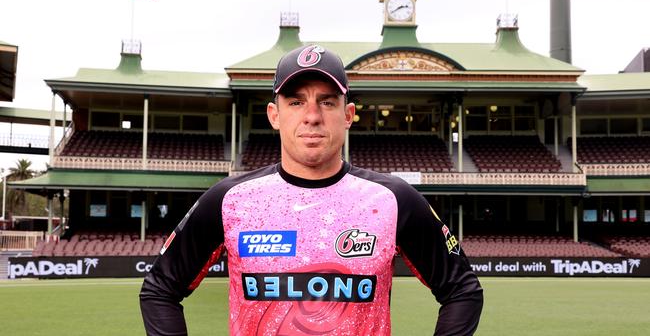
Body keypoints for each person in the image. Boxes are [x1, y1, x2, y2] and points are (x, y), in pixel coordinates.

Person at [140, 45, 483, 335]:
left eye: (327, 102)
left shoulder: (393, 199)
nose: (312, 116)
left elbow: (462, 290)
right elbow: (159, 290)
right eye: (296, 102)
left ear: (348, 114)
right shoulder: (230, 199)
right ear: (274, 115)